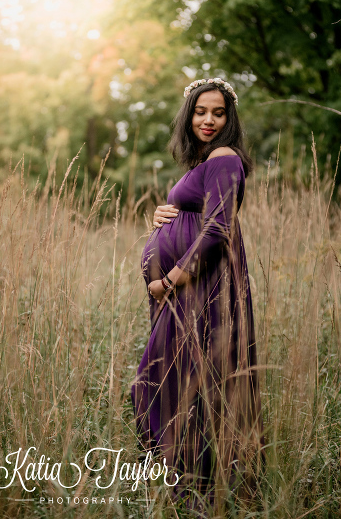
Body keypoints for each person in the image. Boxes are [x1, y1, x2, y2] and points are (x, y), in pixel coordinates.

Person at [131, 78, 263, 504]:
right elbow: (195, 214)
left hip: (199, 289)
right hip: (189, 289)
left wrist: (167, 281)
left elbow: (217, 230)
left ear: (230, 119)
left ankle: (198, 489)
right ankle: (186, 485)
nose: (208, 120)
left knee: (176, 380)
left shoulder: (225, 157)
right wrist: (161, 216)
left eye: (218, 112)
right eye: (201, 111)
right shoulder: (203, 162)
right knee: (179, 376)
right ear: (188, 114)